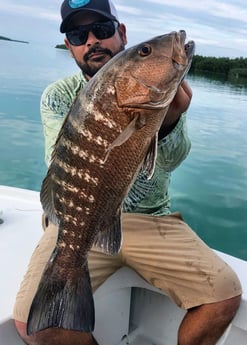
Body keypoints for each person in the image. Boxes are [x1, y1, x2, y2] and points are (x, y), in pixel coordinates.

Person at [13, 1, 242, 345]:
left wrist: (168, 123)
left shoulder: (163, 97)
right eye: (78, 34)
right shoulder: (58, 96)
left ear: (121, 33)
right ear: (69, 45)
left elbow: (171, 160)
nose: (92, 41)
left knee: (224, 294)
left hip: (152, 220)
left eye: (102, 30)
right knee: (36, 323)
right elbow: (60, 170)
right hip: (77, 222)